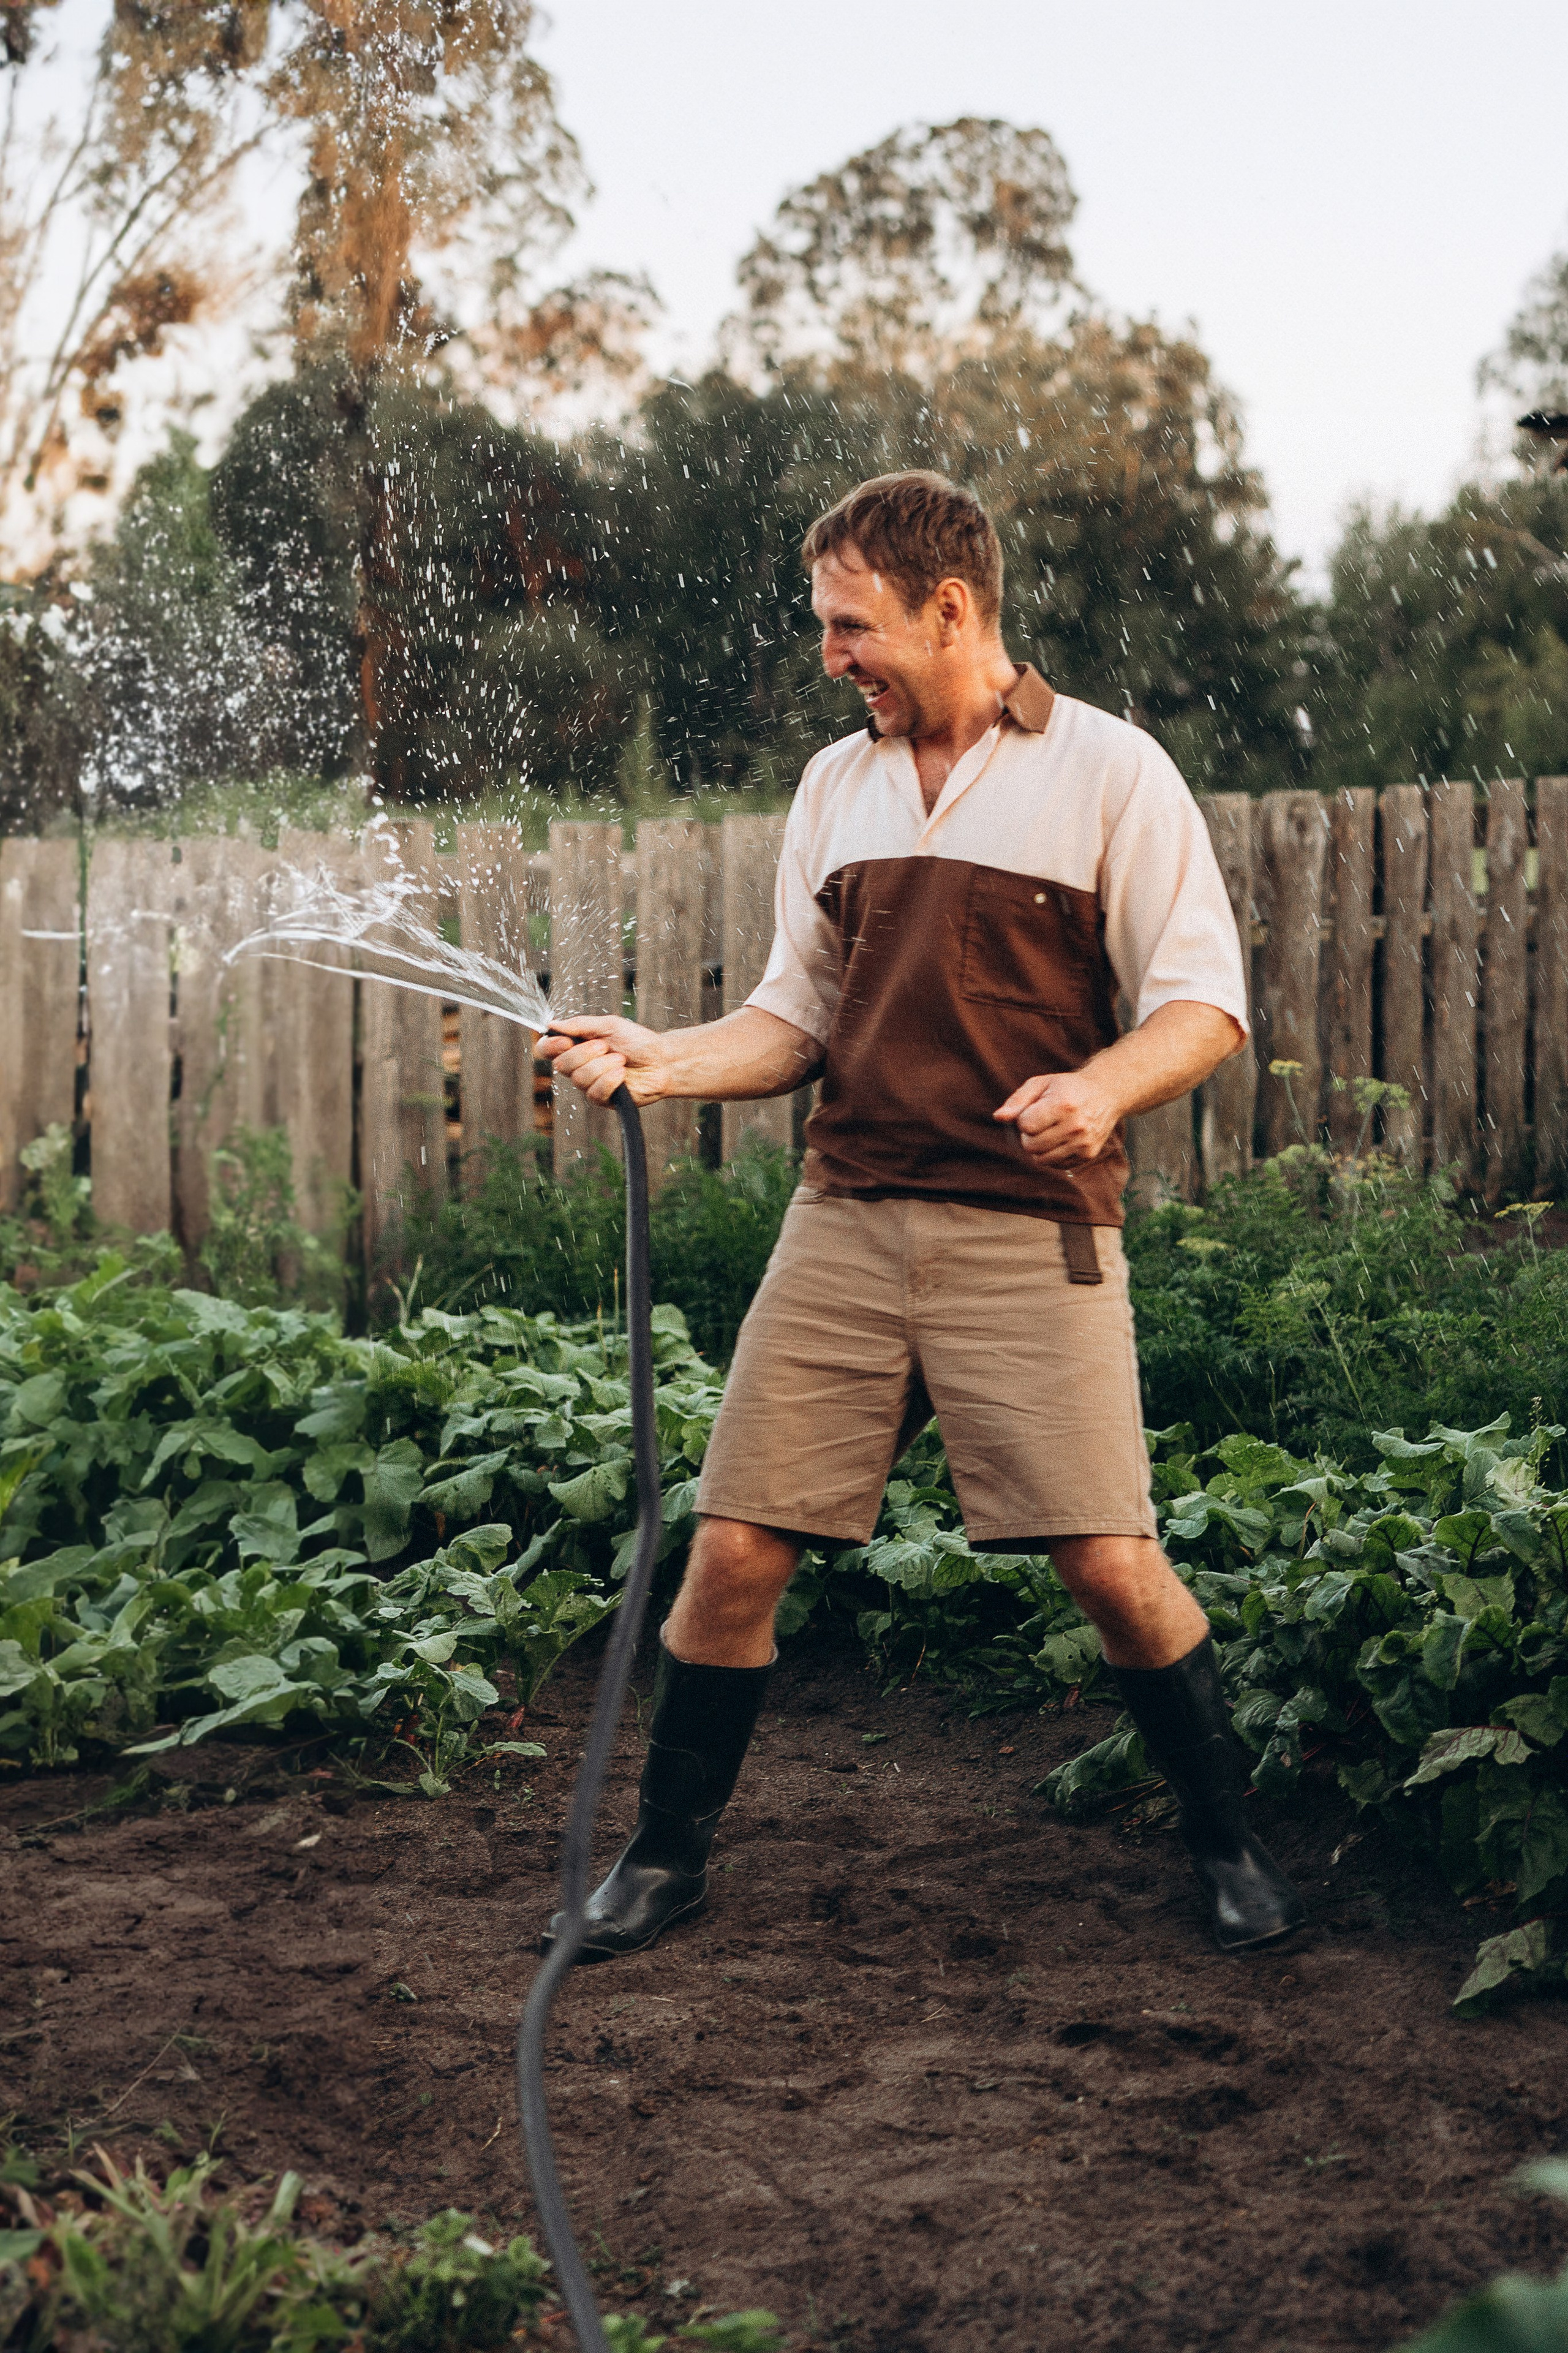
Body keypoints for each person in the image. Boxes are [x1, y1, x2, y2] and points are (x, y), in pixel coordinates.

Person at [540, 469, 1305, 1962]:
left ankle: (1228, 1843)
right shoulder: (836, 787)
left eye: (851, 625)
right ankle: (664, 1856)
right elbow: (795, 1019)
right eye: (826, 626)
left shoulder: (1109, 771)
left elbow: (1202, 1005)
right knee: (733, 1550)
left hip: (1027, 1226)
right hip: (845, 1218)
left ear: (948, 607)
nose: (832, 655)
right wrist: (660, 1060)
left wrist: (1101, 1087)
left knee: (1108, 1562)